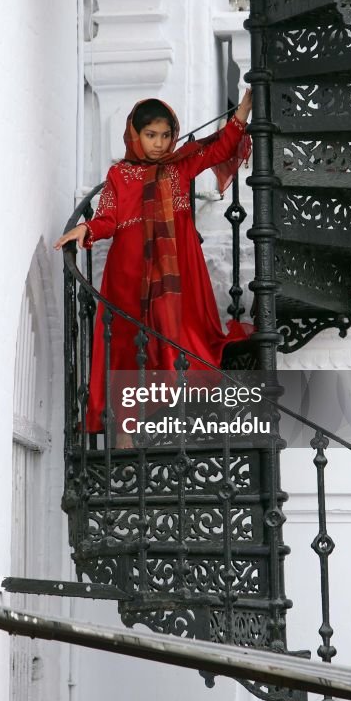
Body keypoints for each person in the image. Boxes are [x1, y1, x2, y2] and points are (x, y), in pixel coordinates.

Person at [55, 93, 253, 443]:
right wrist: (86, 229)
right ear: (134, 134)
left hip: (175, 271)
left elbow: (220, 150)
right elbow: (108, 219)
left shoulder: (180, 166)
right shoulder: (119, 174)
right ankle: (123, 435)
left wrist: (243, 111)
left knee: (178, 337)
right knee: (127, 345)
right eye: (150, 135)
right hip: (129, 273)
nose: (159, 143)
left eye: (165, 135)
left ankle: (173, 422)